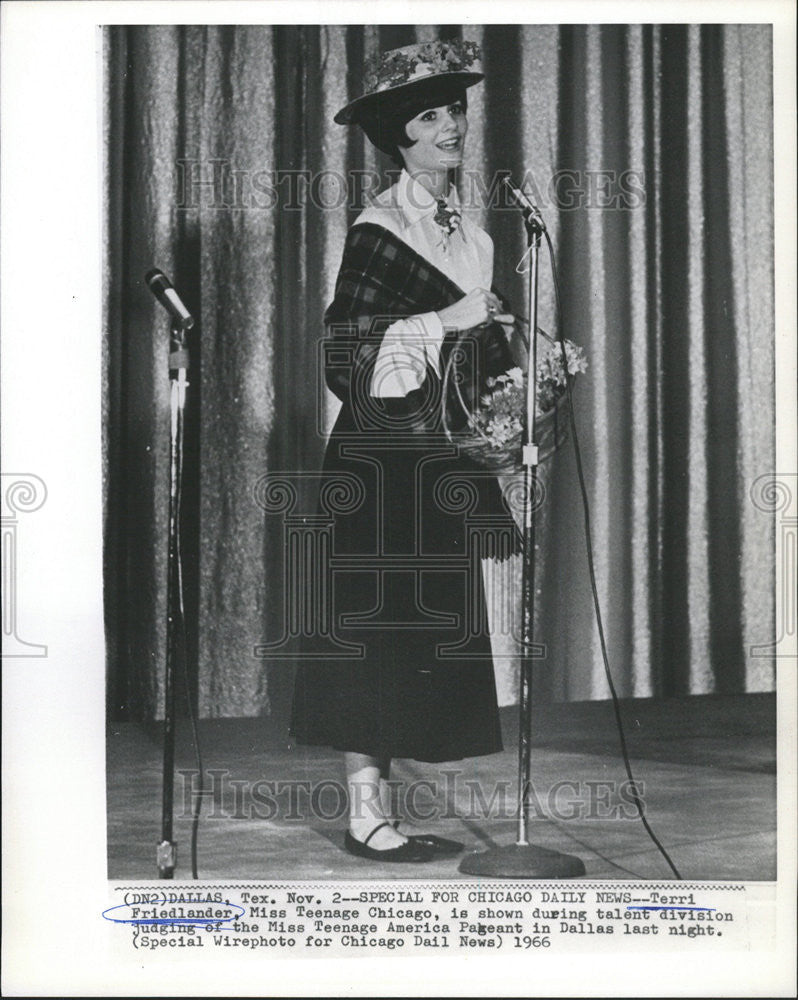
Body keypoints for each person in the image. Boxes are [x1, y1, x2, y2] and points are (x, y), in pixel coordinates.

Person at [290, 39, 519, 862]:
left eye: (455, 107)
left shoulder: (480, 238)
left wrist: (515, 395)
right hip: (381, 459)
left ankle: (382, 812)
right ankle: (364, 817)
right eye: (431, 114)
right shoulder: (378, 227)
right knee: (375, 628)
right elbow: (349, 362)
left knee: (422, 632)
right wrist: (446, 322)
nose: (452, 123)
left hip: (439, 459)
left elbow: (479, 360)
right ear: (400, 138)